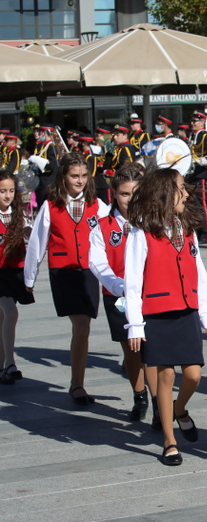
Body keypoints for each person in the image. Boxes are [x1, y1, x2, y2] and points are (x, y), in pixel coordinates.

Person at [125, 167, 207, 466]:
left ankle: (179, 408)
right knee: (164, 377)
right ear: (165, 193)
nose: (187, 193)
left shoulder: (187, 229)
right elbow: (132, 282)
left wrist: (205, 314)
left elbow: (199, 271)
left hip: (187, 308)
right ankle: (169, 440)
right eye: (181, 188)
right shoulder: (141, 233)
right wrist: (135, 325)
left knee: (193, 374)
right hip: (157, 313)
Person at [24, 152, 110, 405]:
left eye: (84, 175)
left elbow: (114, 232)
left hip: (89, 271)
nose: (80, 180)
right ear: (63, 177)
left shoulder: (97, 204)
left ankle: (78, 382)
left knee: (84, 327)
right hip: (63, 271)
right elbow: (37, 243)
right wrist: (29, 278)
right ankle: (77, 385)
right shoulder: (51, 206)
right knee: (81, 325)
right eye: (74, 176)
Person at [88, 163, 160, 425]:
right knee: (131, 350)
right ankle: (139, 395)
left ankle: (159, 403)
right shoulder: (103, 226)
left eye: (135, 193)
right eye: (124, 194)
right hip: (118, 297)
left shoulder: (153, 222)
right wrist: (120, 286)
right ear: (114, 194)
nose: (130, 199)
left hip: (150, 294)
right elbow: (97, 262)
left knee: (152, 351)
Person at [0, 170, 33, 385]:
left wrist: (31, 233)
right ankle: (10, 363)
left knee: (3, 318)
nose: (7, 195)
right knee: (10, 312)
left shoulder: (19, 214)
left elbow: (32, 235)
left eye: (11, 190)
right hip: (0, 272)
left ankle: (2, 366)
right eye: (2, 191)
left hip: (15, 271)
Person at [188, 110, 207, 244]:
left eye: (195, 121)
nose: (192, 123)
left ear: (202, 122)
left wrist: (202, 161)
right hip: (192, 174)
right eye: (192, 121)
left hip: (201, 173)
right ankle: (199, 231)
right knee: (194, 204)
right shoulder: (192, 135)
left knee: (202, 204)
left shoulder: (204, 136)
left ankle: (206, 234)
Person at [28, 124, 60, 206]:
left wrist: (38, 161)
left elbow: (52, 165)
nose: (39, 134)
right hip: (41, 181)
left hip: (48, 181)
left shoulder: (52, 146)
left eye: (40, 132)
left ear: (44, 132)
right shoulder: (41, 145)